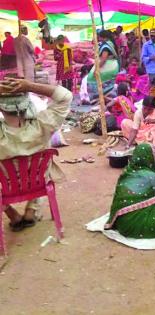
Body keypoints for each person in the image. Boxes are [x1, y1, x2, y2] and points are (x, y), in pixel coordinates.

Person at [0, 78, 72, 231]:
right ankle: (31, 211)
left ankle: (12, 214)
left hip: (6, 187)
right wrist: (30, 86)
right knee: (39, 166)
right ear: (27, 104)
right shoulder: (43, 124)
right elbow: (65, 96)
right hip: (37, 183)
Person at [105, 143, 155, 238]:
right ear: (149, 158)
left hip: (121, 224)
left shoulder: (127, 173)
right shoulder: (151, 177)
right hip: (136, 226)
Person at [87, 30, 120, 97]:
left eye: (99, 37)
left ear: (103, 37)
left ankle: (98, 97)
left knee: (91, 78)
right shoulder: (110, 43)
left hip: (108, 66)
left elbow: (104, 58)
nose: (99, 39)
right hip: (112, 65)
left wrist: (97, 69)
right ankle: (106, 97)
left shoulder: (106, 46)